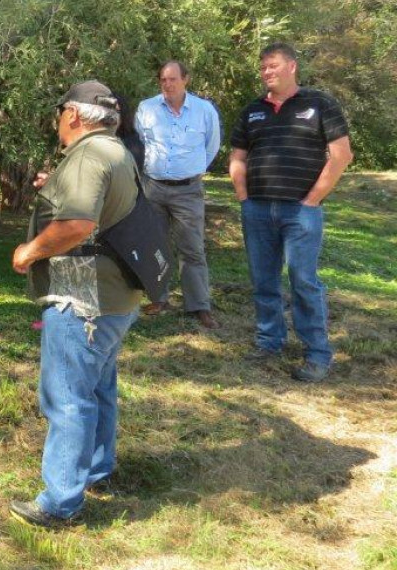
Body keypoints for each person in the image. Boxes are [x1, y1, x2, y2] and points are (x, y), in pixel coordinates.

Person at [9, 81, 140, 529]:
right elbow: (104, 207)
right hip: (115, 297)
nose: (59, 121)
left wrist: (29, 252)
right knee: (98, 387)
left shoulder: (87, 155)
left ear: (74, 115)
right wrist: (57, 185)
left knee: (66, 396)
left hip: (80, 298)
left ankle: (61, 502)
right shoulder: (115, 151)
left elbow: (80, 223)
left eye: (61, 112)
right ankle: (97, 471)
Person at [229, 42, 353, 383]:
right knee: (263, 280)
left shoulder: (319, 104)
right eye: (263, 67)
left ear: (292, 66)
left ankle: (317, 353)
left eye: (273, 65)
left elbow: (341, 155)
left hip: (301, 212)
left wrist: (312, 199)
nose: (267, 72)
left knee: (303, 281)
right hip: (257, 209)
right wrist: (244, 196)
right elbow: (238, 157)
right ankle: (269, 342)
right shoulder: (252, 110)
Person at [133, 61, 222, 329]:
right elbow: (139, 144)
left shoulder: (204, 111)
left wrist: (191, 171)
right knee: (154, 246)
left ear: (186, 80)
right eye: (163, 80)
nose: (167, 85)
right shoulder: (146, 109)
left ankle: (198, 306)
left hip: (188, 190)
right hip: (154, 188)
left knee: (192, 248)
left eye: (173, 79)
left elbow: (212, 147)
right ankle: (158, 298)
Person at [112, 93, 144, 171]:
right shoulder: (91, 139)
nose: (112, 115)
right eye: (108, 110)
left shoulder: (132, 143)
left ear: (123, 114)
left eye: (117, 111)